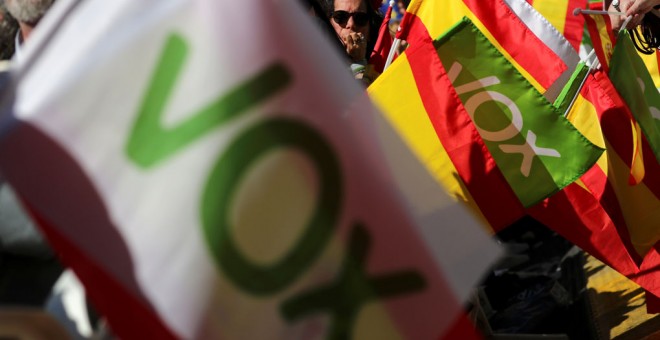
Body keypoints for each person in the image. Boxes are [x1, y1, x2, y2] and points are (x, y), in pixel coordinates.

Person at [327, 0, 383, 85]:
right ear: (329, 22)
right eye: (341, 16)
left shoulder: (384, 68)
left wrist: (358, 61)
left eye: (360, 18)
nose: (351, 24)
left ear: (370, 30)